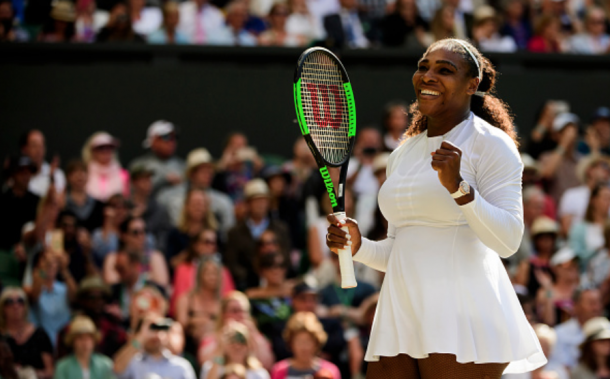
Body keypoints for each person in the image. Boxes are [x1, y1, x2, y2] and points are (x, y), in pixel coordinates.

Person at [325, 39, 545, 377]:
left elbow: (508, 241)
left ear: (472, 85)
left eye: (444, 70)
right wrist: (358, 247)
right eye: (423, 66)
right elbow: (400, 250)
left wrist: (459, 188)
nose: (427, 76)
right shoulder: (402, 153)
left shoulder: (492, 144)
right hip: (401, 308)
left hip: (463, 313)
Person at [225, 179, 291, 290]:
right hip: (246, 285)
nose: (260, 205)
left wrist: (274, 274)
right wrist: (252, 277)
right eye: (256, 201)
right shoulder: (235, 233)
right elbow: (232, 263)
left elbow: (286, 258)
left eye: (263, 200)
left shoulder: (281, 229)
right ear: (247, 204)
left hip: (277, 283)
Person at [157, 148, 235, 239]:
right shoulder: (172, 198)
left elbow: (228, 232)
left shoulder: (223, 201)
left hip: (210, 244)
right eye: (203, 171)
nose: (208, 174)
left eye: (210, 171)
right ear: (191, 174)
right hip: (180, 243)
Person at [198, 291, 274, 370]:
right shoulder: (210, 338)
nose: (240, 315)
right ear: (223, 314)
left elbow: (267, 364)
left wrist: (254, 334)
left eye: (244, 311)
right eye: (234, 311)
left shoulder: (257, 337)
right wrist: (223, 339)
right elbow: (206, 365)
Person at [56, 276, 127, 359]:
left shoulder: (113, 330)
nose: (97, 302)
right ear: (82, 301)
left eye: (101, 297)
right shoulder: (68, 330)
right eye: (92, 297)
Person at [169, 229, 234, 314]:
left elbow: (230, 300)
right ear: (196, 245)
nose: (210, 246)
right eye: (207, 242)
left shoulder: (223, 272)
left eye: (213, 243)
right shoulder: (182, 270)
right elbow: (176, 304)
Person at [113, 315, 197, 379]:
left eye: (160, 329)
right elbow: (117, 369)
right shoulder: (133, 362)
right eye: (152, 329)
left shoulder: (181, 366)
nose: (156, 335)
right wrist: (142, 336)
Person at [0, 287, 54, 379]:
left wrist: (32, 374)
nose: (15, 306)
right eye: (9, 302)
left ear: (26, 307)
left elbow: (50, 372)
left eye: (20, 301)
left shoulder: (40, 334)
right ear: (2, 308)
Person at [270, 312, 341, 379]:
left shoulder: (330, 371)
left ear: (316, 342)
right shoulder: (279, 370)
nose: (304, 347)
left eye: (308, 341)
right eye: (299, 342)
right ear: (291, 343)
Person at [103, 216, 169, 287]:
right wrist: (147, 276)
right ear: (123, 235)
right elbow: (111, 283)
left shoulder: (154, 257)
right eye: (135, 232)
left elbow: (162, 285)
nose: (141, 236)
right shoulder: (113, 257)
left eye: (143, 231)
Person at [175, 257, 223, 353]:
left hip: (214, 347)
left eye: (215, 273)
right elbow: (180, 326)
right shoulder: (186, 299)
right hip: (188, 347)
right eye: (208, 273)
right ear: (199, 275)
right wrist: (196, 321)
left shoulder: (222, 302)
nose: (212, 277)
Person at [549, 288, 603, 369]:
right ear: (576, 306)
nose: (596, 308)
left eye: (598, 303)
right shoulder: (559, 334)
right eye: (591, 303)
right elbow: (561, 368)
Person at [246, 253, 294, 343]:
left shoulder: (295, 293)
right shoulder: (252, 297)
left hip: (291, 343)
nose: (275, 270)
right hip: (264, 344)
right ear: (262, 270)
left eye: (280, 266)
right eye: (269, 266)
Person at [130, 120, 186, 196]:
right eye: (166, 137)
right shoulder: (140, 166)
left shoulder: (183, 166)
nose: (171, 141)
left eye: (174, 137)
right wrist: (164, 182)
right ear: (153, 141)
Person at [558, 155, 610, 237]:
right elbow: (566, 229)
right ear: (590, 170)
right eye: (604, 166)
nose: (607, 170)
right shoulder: (571, 195)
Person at [165, 188, 218, 264]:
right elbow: (170, 264)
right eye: (195, 203)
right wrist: (192, 251)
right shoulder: (175, 234)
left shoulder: (215, 233)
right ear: (186, 206)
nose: (198, 207)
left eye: (201, 203)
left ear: (207, 207)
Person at [200, 321, 270, 379]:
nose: (237, 346)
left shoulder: (259, 373)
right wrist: (219, 352)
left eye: (242, 341)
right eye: (232, 341)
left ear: (248, 345)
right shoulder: (209, 368)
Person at [538, 112, 582, 204]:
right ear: (555, 135)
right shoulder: (546, 157)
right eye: (564, 131)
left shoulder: (581, 160)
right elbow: (547, 174)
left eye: (573, 131)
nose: (570, 135)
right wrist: (564, 144)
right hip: (554, 212)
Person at [129, 165, 172, 253]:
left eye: (149, 179)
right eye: (143, 180)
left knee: (149, 239)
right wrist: (130, 217)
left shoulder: (160, 210)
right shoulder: (125, 207)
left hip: (153, 256)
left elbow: (163, 237)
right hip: (129, 252)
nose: (148, 183)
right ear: (134, 182)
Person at [535, 247, 580, 326]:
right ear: (555, 268)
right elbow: (548, 321)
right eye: (568, 264)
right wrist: (548, 289)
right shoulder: (545, 292)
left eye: (575, 263)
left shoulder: (582, 289)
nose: (573, 267)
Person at [569, 185, 610, 270]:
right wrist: (597, 250)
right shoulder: (579, 229)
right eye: (605, 198)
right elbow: (575, 256)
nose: (608, 202)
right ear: (594, 200)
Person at [82, 132, 130, 202]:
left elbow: (126, 198)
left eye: (109, 147)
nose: (105, 151)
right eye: (100, 148)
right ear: (92, 151)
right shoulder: (84, 172)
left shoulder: (123, 174)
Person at [19, 130, 66, 197]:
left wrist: (52, 179)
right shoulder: (17, 178)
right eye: (34, 146)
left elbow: (59, 203)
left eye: (41, 146)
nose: (39, 150)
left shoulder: (57, 174)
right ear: (24, 149)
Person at [63, 159, 106, 232]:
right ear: (68, 177)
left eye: (83, 171)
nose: (79, 175)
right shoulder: (62, 205)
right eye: (75, 171)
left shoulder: (98, 205)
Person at [91, 194, 130, 268]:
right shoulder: (98, 234)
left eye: (124, 207)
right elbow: (103, 254)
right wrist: (108, 220)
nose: (121, 211)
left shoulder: (131, 232)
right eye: (116, 207)